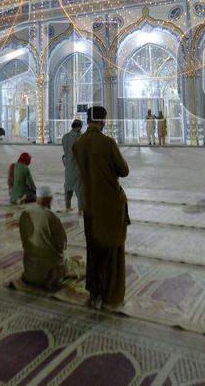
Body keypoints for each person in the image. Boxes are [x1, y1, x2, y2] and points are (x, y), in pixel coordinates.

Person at [74, 105, 129, 310]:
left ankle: (95, 294)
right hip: (111, 206)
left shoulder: (79, 144)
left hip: (90, 205)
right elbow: (124, 170)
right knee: (114, 252)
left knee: (94, 251)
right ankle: (111, 298)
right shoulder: (108, 143)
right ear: (103, 121)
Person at [19, 186, 83, 290]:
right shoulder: (51, 217)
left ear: (37, 198)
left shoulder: (25, 214)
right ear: (50, 199)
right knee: (75, 265)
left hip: (29, 270)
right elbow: (62, 245)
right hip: (49, 272)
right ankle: (51, 279)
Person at [61, 119, 84, 211]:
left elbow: (65, 150)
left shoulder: (65, 137)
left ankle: (67, 206)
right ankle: (81, 209)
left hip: (68, 166)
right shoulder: (80, 137)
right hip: (77, 166)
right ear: (79, 127)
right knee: (79, 189)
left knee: (68, 186)